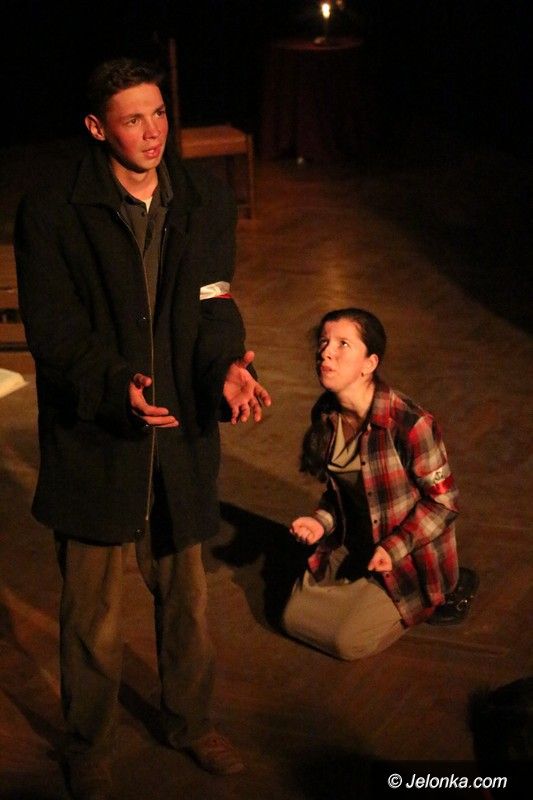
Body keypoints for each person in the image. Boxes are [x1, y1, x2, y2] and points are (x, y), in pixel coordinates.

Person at [14, 57, 271, 800]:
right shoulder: (54, 211)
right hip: (97, 437)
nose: (153, 131)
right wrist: (113, 385)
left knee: (186, 599)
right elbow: (54, 332)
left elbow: (214, 301)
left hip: (180, 432)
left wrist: (223, 370)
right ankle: (88, 745)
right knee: (92, 612)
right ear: (98, 128)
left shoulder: (200, 197)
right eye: (133, 119)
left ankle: (190, 722)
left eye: (159, 113)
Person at [283, 307, 476, 661]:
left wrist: (394, 547)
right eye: (324, 342)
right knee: (292, 617)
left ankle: (430, 597)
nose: (326, 353)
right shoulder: (326, 414)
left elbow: (444, 503)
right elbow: (341, 495)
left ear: (369, 363)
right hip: (357, 542)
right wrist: (320, 522)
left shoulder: (409, 423)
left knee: (346, 642)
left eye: (343, 344)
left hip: (407, 557)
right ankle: (361, 596)